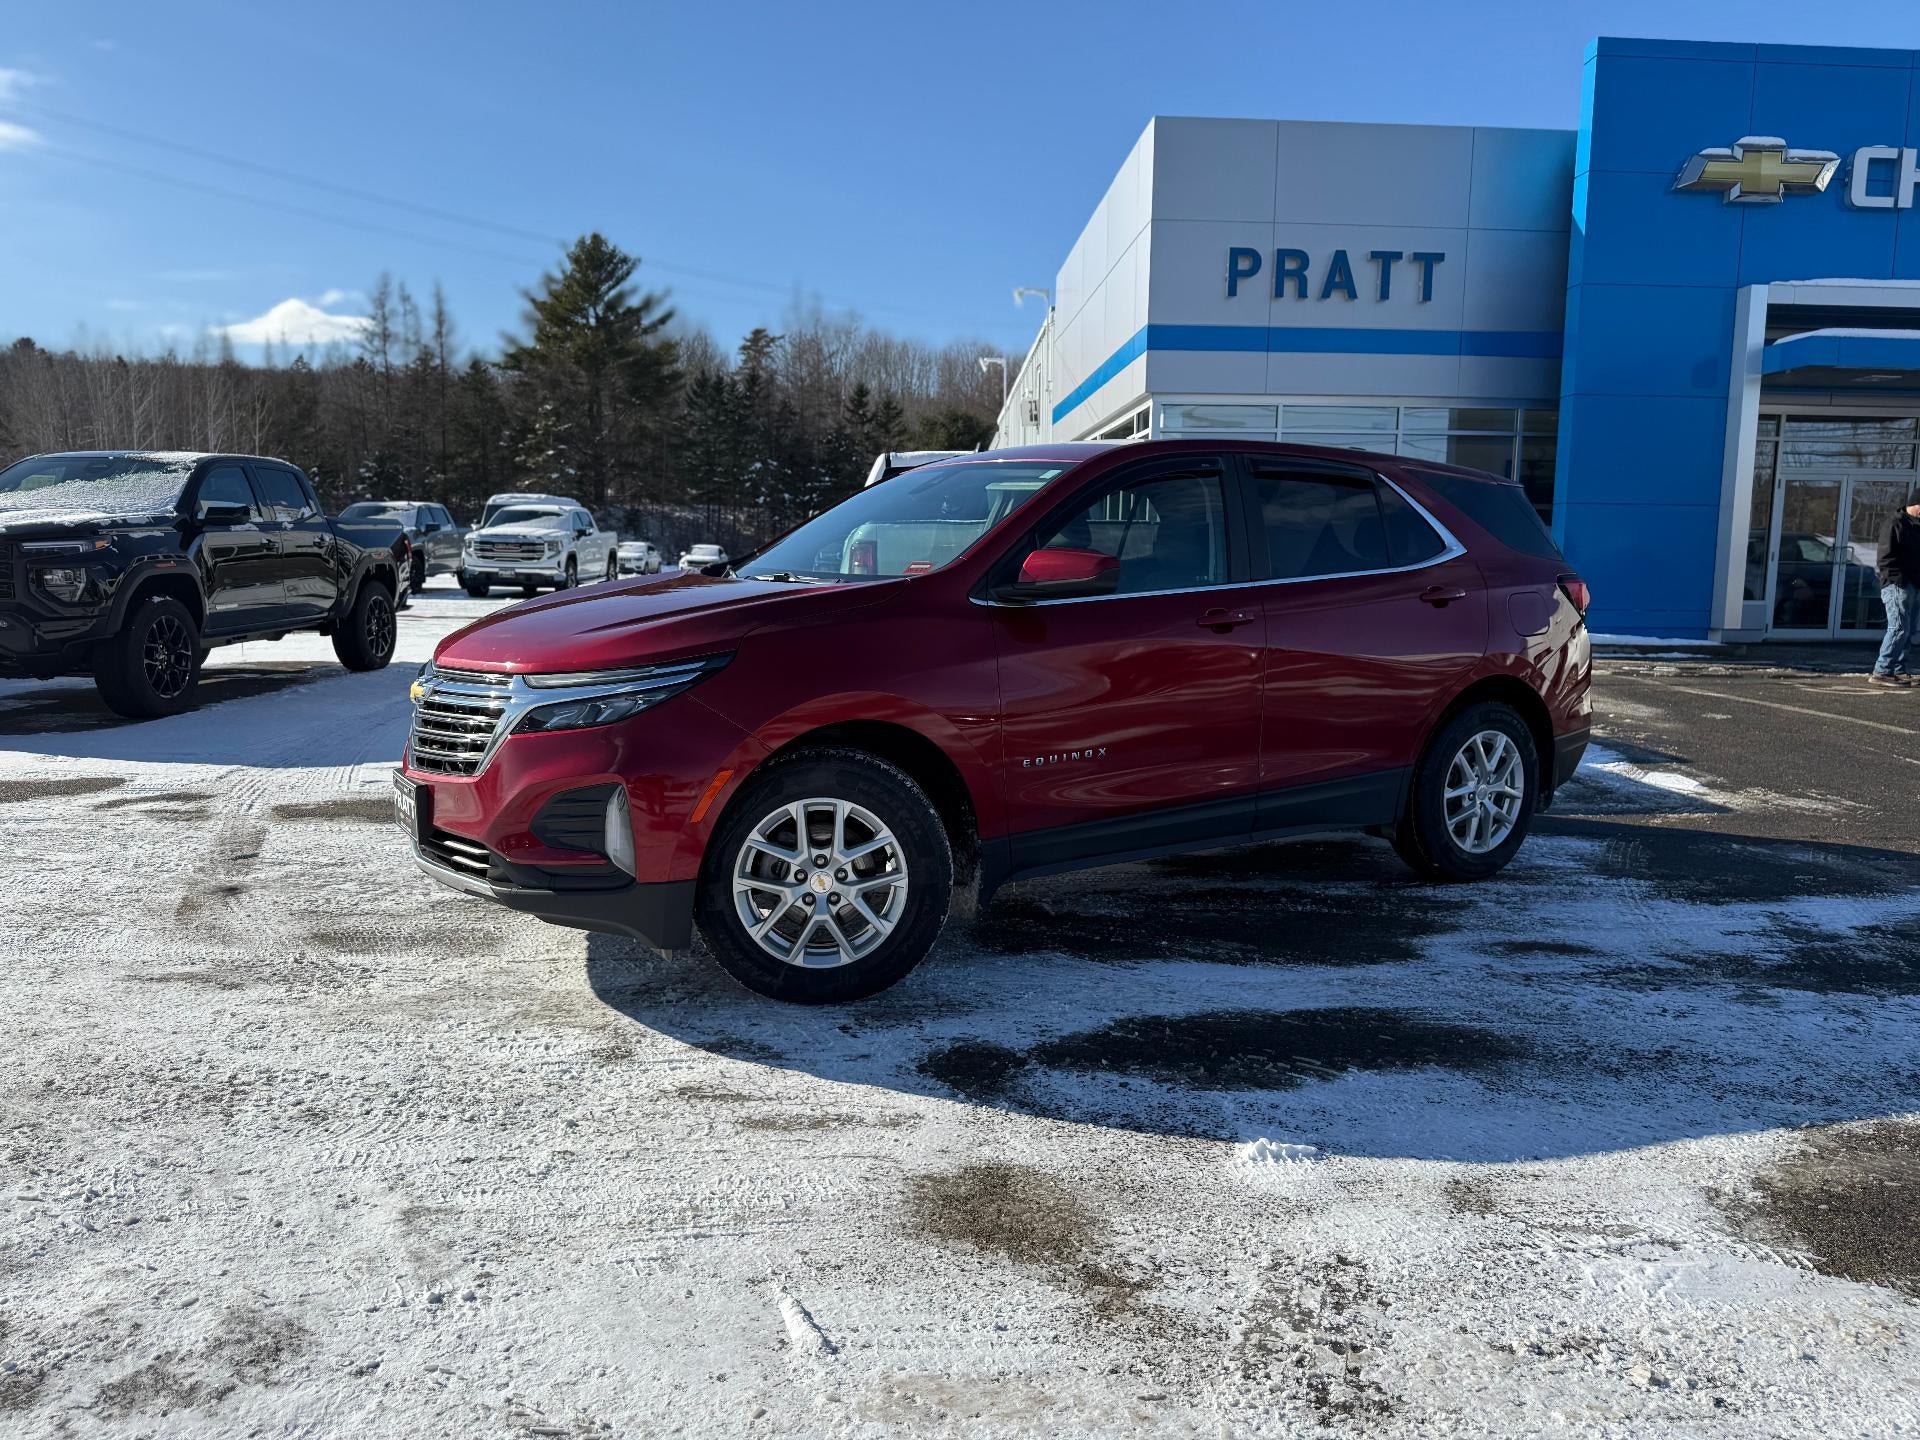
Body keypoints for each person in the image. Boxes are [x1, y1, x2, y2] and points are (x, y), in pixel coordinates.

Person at [1872, 488, 1920, 687]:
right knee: (1899, 627)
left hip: (1915, 585)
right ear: (1915, 505)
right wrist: (1898, 580)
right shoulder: (1895, 523)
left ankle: (1899, 669)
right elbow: (1885, 557)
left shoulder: (1917, 527)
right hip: (1896, 585)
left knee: (1908, 630)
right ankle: (1882, 670)